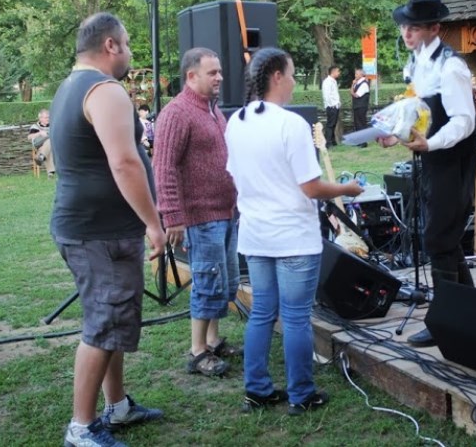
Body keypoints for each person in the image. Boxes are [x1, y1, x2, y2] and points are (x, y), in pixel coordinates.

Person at [225, 47, 363, 415]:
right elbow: (311, 187)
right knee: (296, 316)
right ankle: (301, 395)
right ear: (276, 77)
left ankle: (257, 390)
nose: (293, 81)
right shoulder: (291, 124)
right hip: (292, 238)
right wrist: (347, 189)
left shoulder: (236, 121)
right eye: (290, 74)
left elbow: (236, 176)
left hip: (255, 234)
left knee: (262, 313)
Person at [50, 12, 166, 447]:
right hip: (98, 233)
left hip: (92, 228)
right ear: (111, 45)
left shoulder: (69, 86)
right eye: (128, 43)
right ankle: (81, 428)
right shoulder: (104, 90)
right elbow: (124, 162)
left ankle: (116, 406)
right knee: (103, 323)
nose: (131, 52)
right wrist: (153, 223)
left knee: (111, 319)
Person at [378, 0, 476, 347]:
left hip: (453, 160)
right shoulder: (417, 62)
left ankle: (445, 320)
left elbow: (464, 121)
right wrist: (396, 133)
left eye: (415, 27)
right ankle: (468, 312)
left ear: (434, 28)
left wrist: (430, 144)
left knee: (438, 236)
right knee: (442, 237)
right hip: (432, 157)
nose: (406, 33)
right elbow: (417, 110)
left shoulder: (451, 68)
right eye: (404, 26)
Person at [153, 47, 240, 378]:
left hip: (225, 212)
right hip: (200, 217)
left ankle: (213, 341)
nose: (220, 77)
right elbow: (163, 168)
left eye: (219, 71)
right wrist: (173, 217)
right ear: (191, 76)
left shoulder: (212, 110)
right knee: (206, 282)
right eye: (212, 72)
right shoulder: (177, 113)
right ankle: (197, 351)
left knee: (223, 281)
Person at [29, 109, 55, 178]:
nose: (48, 119)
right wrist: (40, 133)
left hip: (48, 147)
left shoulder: (52, 125)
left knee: (49, 146)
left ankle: (41, 157)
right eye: (46, 117)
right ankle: (41, 156)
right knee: (49, 140)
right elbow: (29, 137)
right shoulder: (35, 126)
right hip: (38, 144)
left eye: (49, 117)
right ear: (40, 118)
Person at [321, 65, 341, 147]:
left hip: (335, 106)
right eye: (338, 71)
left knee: (333, 124)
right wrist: (331, 105)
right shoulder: (327, 82)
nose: (339, 73)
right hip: (331, 106)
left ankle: (333, 141)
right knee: (330, 124)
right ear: (333, 72)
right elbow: (327, 95)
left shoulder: (333, 81)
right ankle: (328, 142)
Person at [350, 68, 370, 139]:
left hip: (361, 106)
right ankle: (359, 139)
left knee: (361, 123)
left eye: (357, 74)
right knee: (357, 123)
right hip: (357, 106)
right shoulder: (357, 83)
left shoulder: (364, 84)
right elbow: (352, 92)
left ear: (361, 75)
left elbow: (356, 95)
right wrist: (353, 85)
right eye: (355, 74)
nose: (355, 75)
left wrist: (352, 89)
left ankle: (363, 140)